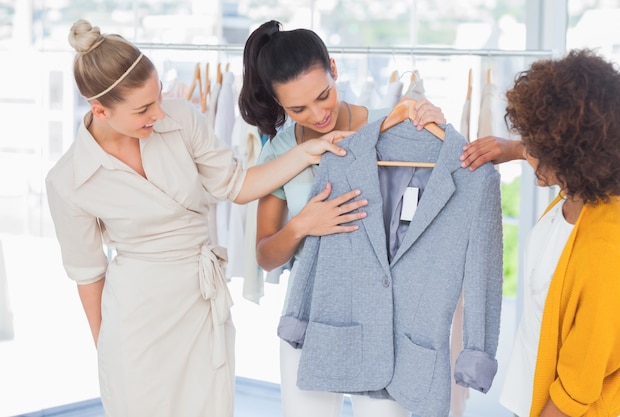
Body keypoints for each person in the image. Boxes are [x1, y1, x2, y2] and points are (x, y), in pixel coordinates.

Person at [45, 19, 351, 417]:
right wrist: (108, 351)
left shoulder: (181, 119)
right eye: (143, 109)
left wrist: (307, 152)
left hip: (199, 304)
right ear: (100, 109)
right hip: (135, 321)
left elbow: (236, 186)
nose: (158, 113)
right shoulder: (69, 180)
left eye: (157, 98)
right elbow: (89, 275)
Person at [238, 20, 446, 417]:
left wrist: (439, 122)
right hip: (311, 308)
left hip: (386, 308)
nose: (318, 114)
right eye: (297, 108)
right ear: (278, 102)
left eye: (323, 96)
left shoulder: (396, 123)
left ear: (334, 69)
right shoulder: (279, 154)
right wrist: (303, 225)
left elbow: (441, 201)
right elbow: (266, 255)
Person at [463, 49, 620, 417]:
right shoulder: (579, 194)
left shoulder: (603, 253)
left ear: (569, 155)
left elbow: (575, 392)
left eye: (535, 147)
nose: (528, 154)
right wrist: (514, 149)